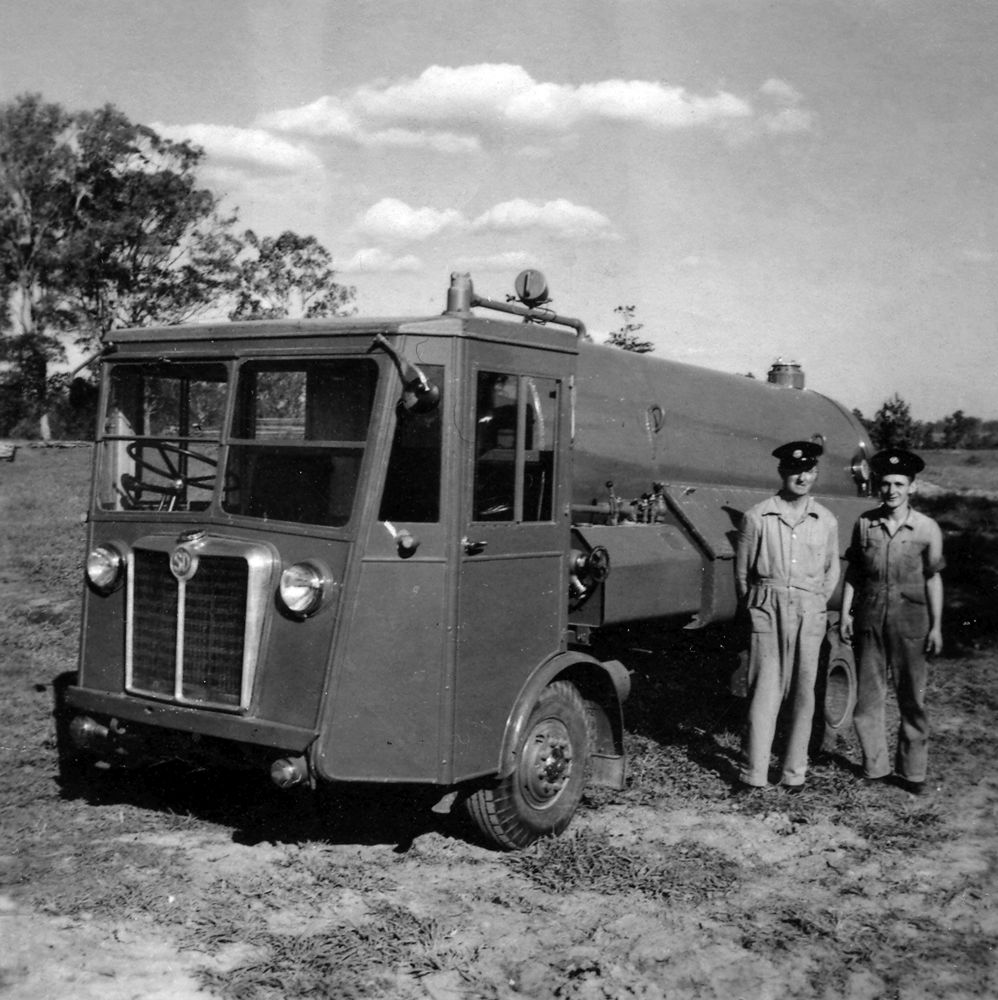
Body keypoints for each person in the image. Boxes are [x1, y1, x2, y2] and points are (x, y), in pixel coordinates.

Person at [734, 441, 840, 793]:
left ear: (816, 473)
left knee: (803, 693)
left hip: (810, 610)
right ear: (782, 472)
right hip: (768, 606)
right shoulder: (757, 516)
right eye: (795, 470)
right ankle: (755, 774)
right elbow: (743, 573)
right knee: (765, 691)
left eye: (809, 470)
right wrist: (758, 607)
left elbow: (832, 571)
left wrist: (814, 602)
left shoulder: (825, 520)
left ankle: (794, 773)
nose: (802, 477)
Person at [840, 448, 944, 794]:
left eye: (899, 483)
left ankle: (913, 772)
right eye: (885, 483)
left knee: (911, 698)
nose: (891, 490)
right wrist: (845, 614)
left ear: (912, 487)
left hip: (911, 622)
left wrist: (937, 626)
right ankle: (875, 765)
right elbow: (854, 572)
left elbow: (933, 578)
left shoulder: (927, 528)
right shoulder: (865, 523)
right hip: (870, 619)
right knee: (869, 697)